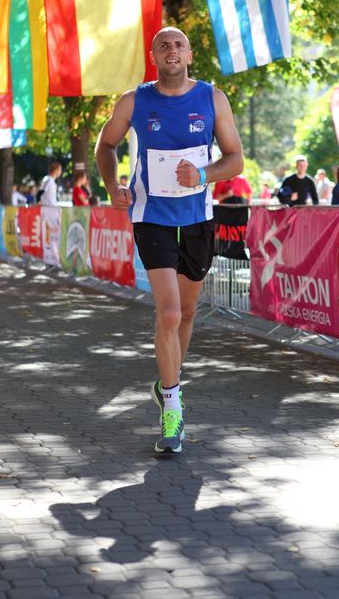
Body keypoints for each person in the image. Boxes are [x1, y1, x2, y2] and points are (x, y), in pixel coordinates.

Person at [95, 26, 243, 455]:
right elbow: (106, 145)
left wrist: (203, 175)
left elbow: (235, 159)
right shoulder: (134, 100)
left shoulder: (213, 98)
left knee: (188, 312)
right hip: (152, 218)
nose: (171, 50)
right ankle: (173, 408)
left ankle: (167, 384)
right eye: (163, 46)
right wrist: (113, 185)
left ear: (190, 54)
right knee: (169, 313)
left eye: (179, 44)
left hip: (197, 218)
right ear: (153, 56)